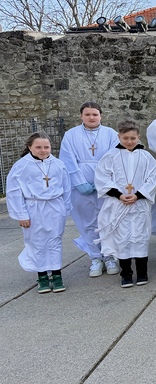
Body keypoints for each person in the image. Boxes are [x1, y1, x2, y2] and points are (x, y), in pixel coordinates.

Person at [58, 102, 120, 277]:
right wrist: (79, 183)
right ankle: (95, 257)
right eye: (88, 114)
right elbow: (68, 160)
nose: (91, 117)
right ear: (81, 116)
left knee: (107, 220)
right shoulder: (71, 135)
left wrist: (103, 182)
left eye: (95, 114)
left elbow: (114, 157)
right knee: (87, 222)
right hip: (80, 185)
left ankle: (109, 256)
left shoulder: (110, 134)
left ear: (101, 115)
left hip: (106, 185)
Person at [95, 120, 156, 288]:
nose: (129, 141)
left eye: (133, 138)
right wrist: (118, 195)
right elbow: (102, 177)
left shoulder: (145, 156)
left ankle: (142, 272)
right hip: (119, 204)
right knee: (122, 238)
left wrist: (138, 194)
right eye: (125, 138)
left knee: (140, 237)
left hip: (139, 204)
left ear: (138, 137)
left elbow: (153, 177)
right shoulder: (111, 156)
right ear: (119, 137)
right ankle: (126, 273)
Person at [7, 132, 71, 294]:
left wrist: (65, 208)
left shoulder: (58, 164)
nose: (43, 150)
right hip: (33, 208)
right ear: (30, 147)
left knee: (54, 241)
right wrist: (21, 214)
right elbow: (14, 191)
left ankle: (56, 274)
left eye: (46, 147)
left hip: (55, 207)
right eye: (38, 147)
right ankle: (42, 275)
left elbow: (66, 187)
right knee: (36, 242)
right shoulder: (21, 166)